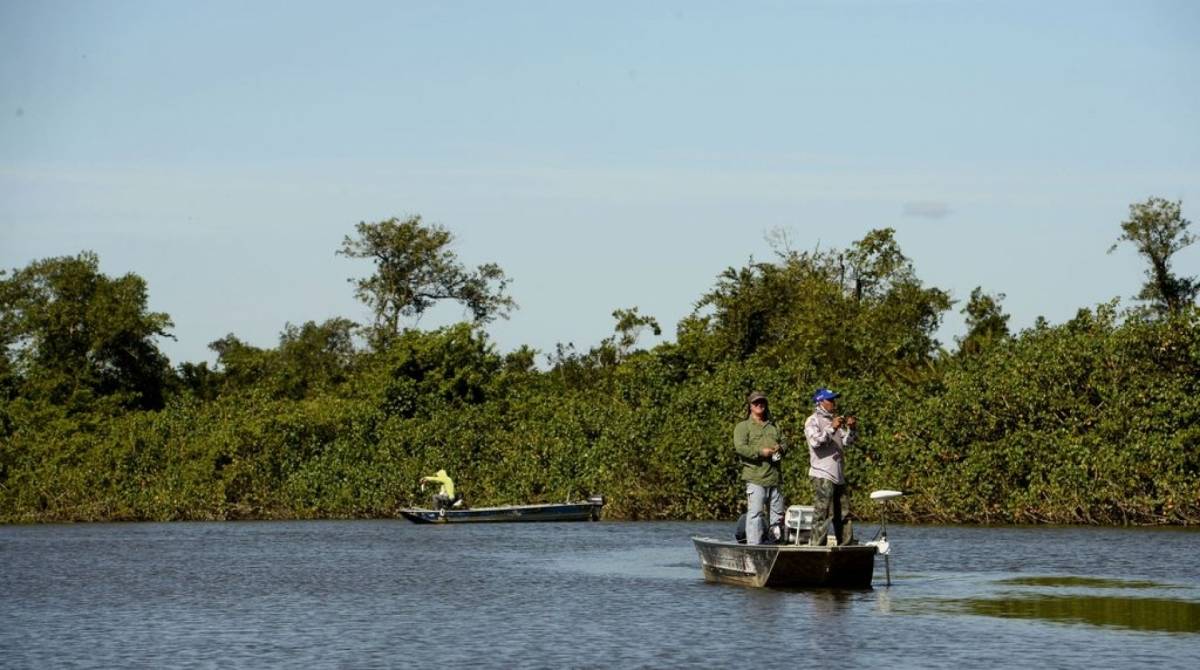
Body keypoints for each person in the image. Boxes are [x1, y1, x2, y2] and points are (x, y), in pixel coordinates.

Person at [733, 391, 788, 545]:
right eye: (756, 403)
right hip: (755, 478)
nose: (759, 405)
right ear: (750, 406)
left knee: (777, 516)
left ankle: (775, 545)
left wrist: (780, 448)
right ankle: (754, 547)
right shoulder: (743, 427)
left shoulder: (774, 426)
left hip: (775, 478)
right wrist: (760, 452)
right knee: (756, 514)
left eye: (762, 402)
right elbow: (740, 448)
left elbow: (785, 443)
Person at [805, 388, 857, 546]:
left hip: (838, 475)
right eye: (831, 400)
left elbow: (848, 442)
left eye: (834, 400)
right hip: (822, 474)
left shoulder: (834, 420)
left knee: (844, 514)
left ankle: (846, 545)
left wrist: (852, 429)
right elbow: (815, 442)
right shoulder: (812, 420)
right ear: (820, 402)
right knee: (823, 512)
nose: (834, 403)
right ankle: (816, 546)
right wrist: (832, 428)